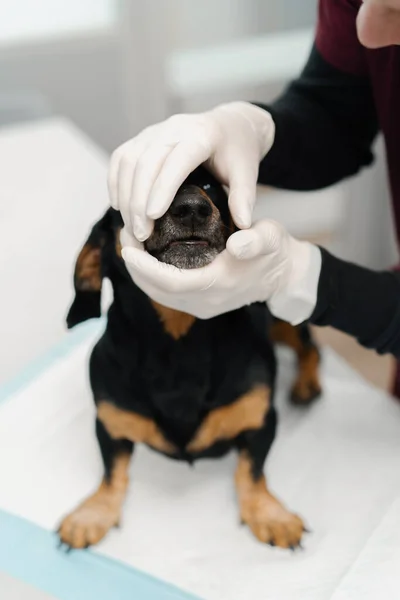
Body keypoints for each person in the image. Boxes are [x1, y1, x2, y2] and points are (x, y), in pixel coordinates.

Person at [108, 0, 400, 368]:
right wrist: (255, 128)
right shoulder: (371, 14)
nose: (367, 32)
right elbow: (339, 108)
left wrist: (306, 279)